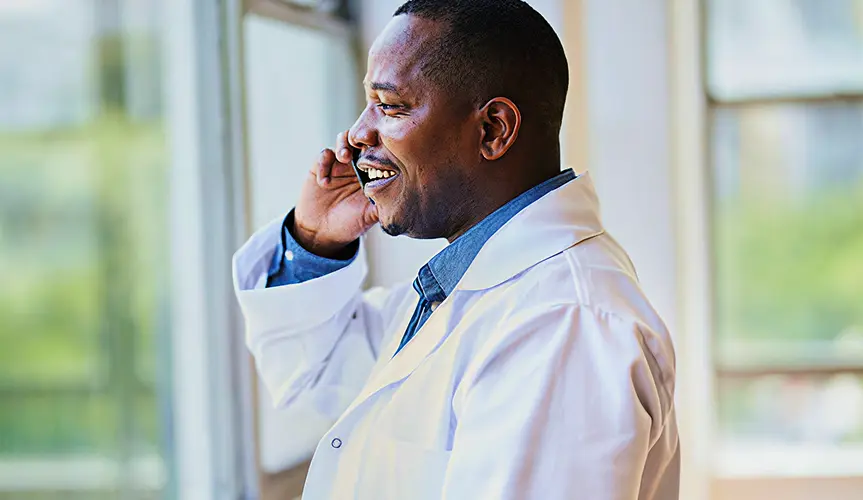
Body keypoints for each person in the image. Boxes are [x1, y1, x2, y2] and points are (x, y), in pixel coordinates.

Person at [232, 0, 679, 498]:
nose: (357, 134)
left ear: (493, 130)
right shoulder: (465, 291)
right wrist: (316, 241)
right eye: (367, 103)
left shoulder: (563, 324)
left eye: (390, 106)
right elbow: (315, 375)